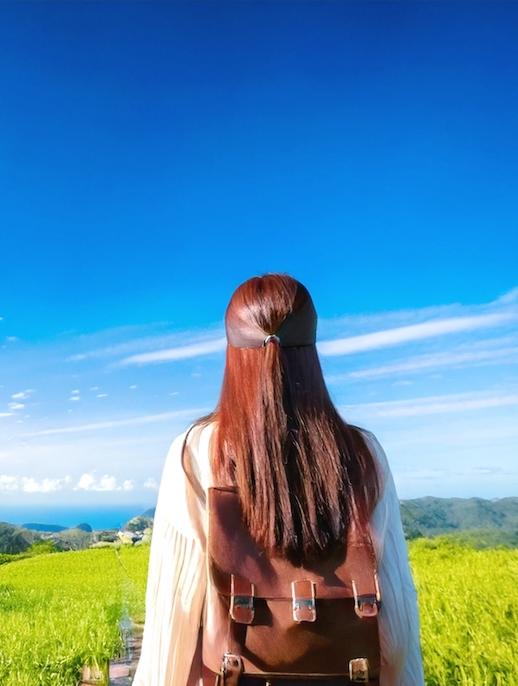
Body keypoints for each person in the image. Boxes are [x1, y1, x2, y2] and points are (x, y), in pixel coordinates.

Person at [132, 274, 424, 686]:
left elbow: (174, 610)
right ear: (312, 351)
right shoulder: (364, 453)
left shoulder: (198, 450)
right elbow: (395, 600)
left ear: (233, 352)